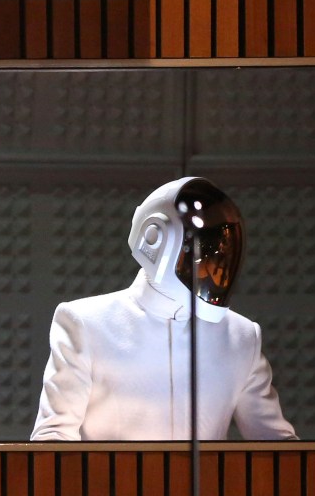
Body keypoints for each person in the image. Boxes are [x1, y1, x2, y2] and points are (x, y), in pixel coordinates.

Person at [31, 176, 296, 441]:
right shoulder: (86, 323)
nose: (212, 267)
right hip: (111, 483)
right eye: (203, 253)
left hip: (205, 485)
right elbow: (52, 439)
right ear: (155, 237)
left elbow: (280, 449)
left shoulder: (242, 336)